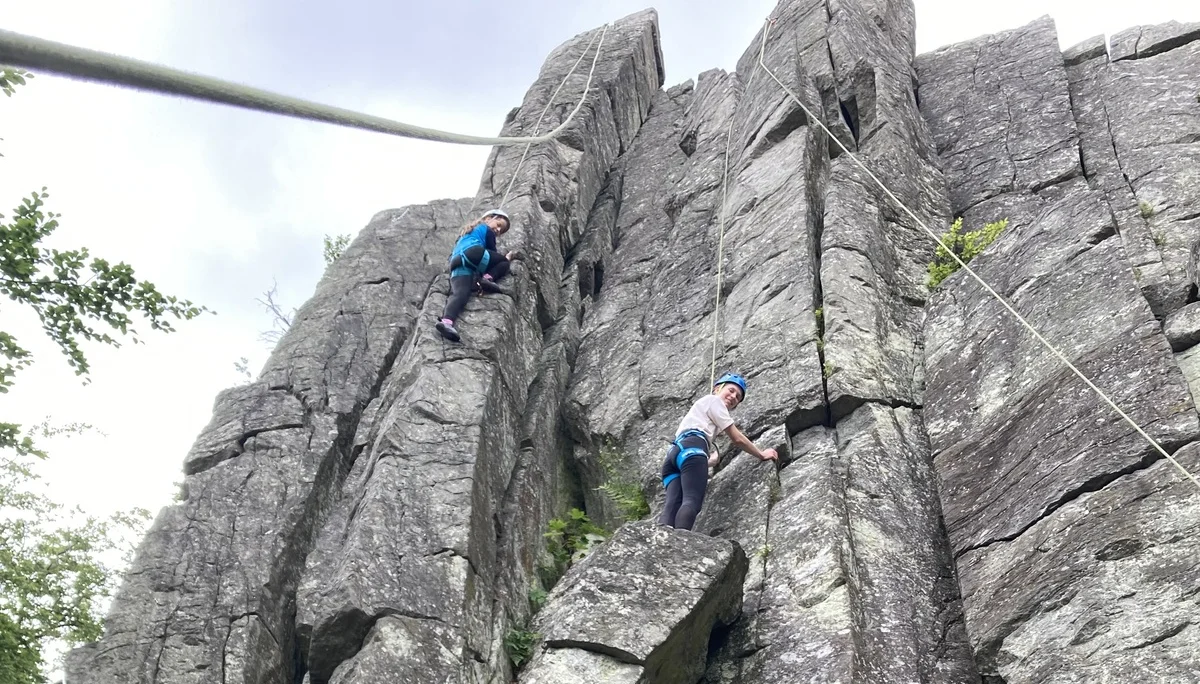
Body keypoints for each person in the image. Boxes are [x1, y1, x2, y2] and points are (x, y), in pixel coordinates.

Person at [659, 372, 779, 531]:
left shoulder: (700, 409)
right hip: (693, 448)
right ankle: (679, 546)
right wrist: (762, 454)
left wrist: (708, 462)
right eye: (730, 390)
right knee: (691, 501)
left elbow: (687, 458)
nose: (733, 396)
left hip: (674, 455)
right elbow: (737, 439)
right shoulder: (714, 401)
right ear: (717, 388)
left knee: (672, 506)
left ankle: (659, 541)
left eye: (737, 397)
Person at [435, 208, 522, 342]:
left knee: (460, 294)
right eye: (498, 225)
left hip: (458, 262)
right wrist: (506, 258)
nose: (498, 231)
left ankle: (447, 322)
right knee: (504, 263)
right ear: (488, 218)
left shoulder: (468, 234)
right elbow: (492, 252)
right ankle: (487, 279)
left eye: (501, 231)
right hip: (474, 253)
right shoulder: (485, 228)